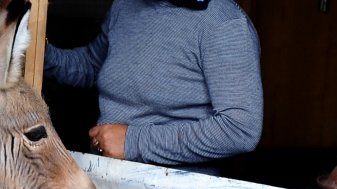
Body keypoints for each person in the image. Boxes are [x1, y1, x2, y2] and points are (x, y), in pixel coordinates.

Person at [44, 0, 263, 174]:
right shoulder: (125, 4)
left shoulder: (224, 23)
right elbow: (92, 67)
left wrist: (133, 142)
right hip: (103, 179)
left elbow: (240, 129)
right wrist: (37, 52)